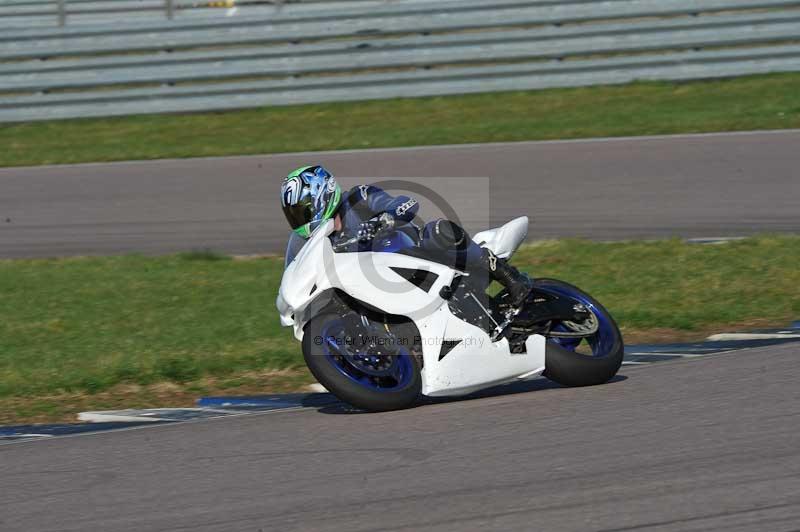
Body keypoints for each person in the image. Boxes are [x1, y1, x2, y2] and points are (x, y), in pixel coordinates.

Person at [280, 165, 532, 306]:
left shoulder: (358, 197)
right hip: (372, 285)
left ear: (321, 194)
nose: (300, 220)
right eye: (293, 215)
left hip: (409, 252)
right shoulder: (309, 242)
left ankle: (508, 276)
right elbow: (300, 270)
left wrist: (384, 220)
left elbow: (406, 203)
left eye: (303, 211)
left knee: (439, 230)